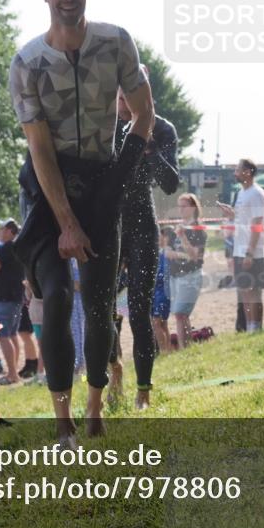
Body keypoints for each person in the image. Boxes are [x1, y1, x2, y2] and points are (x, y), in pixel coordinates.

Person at [9, 0, 153, 446]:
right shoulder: (27, 61)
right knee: (56, 297)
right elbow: (40, 148)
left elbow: (144, 113)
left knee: (98, 303)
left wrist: (117, 180)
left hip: (101, 177)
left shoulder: (116, 42)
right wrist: (66, 222)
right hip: (48, 183)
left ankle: (94, 407)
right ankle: (62, 419)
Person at [108, 79, 180, 408]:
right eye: (120, 98)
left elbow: (170, 184)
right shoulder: (105, 125)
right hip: (109, 222)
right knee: (104, 310)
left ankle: (143, 391)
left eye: (130, 98)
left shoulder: (162, 128)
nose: (124, 105)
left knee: (139, 310)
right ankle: (114, 369)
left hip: (142, 223)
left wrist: (149, 148)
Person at [217, 159, 264, 332]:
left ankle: (256, 327)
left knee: (253, 291)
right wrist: (231, 214)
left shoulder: (256, 193)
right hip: (239, 248)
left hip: (252, 250)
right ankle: (249, 326)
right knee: (244, 290)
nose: (235, 173)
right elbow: (242, 220)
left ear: (248, 171)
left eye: (238, 170)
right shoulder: (241, 193)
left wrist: (250, 252)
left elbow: (257, 223)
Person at [0, 219, 27, 385]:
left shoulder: (7, 247)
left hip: (6, 298)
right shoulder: (18, 246)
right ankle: (14, 372)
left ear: (10, 231)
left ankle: (12, 374)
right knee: (12, 335)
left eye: (2, 229)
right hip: (16, 296)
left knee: (4, 336)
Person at [166, 194, 207, 348]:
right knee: (181, 315)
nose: (181, 209)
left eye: (184, 206)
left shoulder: (198, 229)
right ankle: (187, 347)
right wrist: (177, 253)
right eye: (179, 206)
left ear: (193, 207)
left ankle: (184, 347)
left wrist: (182, 238)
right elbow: (167, 250)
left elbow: (194, 256)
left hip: (190, 275)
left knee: (180, 313)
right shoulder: (178, 227)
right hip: (175, 275)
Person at [152, 229, 174, 352]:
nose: (157, 238)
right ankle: (168, 350)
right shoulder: (160, 252)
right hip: (158, 292)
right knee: (162, 323)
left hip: (162, 292)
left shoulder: (166, 252)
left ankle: (164, 350)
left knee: (156, 322)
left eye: (159, 236)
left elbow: (164, 274)